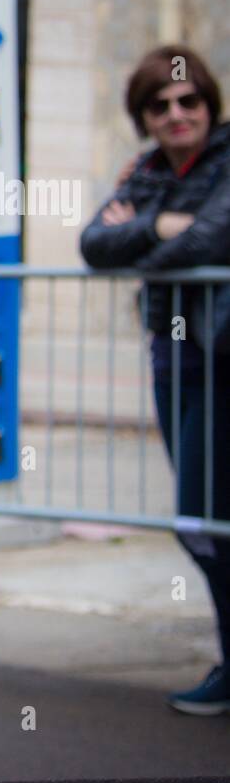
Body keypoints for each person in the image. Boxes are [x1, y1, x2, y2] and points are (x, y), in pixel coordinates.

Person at [80, 44, 230, 716]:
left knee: (202, 518)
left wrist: (145, 240)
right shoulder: (145, 173)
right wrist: (164, 222)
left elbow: (210, 242)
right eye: (159, 105)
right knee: (203, 519)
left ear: (208, 104)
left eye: (187, 100)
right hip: (174, 358)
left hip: (222, 355)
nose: (176, 114)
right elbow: (92, 245)